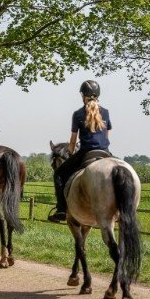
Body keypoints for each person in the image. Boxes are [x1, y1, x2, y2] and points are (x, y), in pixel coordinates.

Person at [47, 80, 112, 223]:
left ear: (83, 96)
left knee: (59, 174)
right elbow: (107, 135)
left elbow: (72, 141)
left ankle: (61, 210)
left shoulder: (78, 114)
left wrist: (71, 152)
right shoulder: (106, 112)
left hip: (86, 152)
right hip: (105, 151)